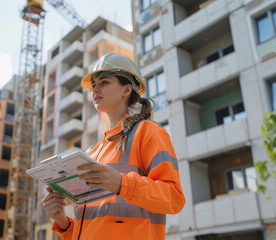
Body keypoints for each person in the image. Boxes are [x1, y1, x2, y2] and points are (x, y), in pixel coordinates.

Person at [42, 53, 185, 240]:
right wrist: (64, 223)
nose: (95, 89)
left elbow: (174, 199)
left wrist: (122, 184)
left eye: (104, 82)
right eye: (94, 85)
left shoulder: (148, 132)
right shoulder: (92, 153)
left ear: (126, 90)